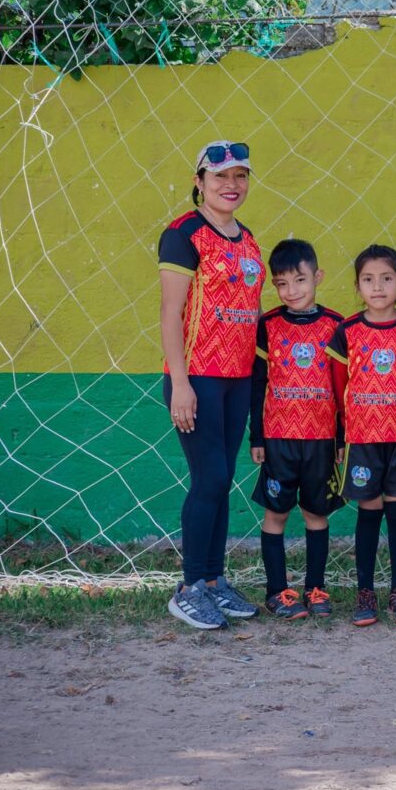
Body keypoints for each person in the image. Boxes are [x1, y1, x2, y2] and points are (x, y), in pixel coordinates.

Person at [157, 140, 265, 630]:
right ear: (199, 182)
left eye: (240, 176)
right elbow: (170, 314)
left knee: (222, 479)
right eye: (220, 176)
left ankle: (215, 582)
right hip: (197, 377)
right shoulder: (183, 234)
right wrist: (180, 384)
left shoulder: (249, 240)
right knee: (209, 479)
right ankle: (189, 589)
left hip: (237, 380)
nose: (231, 185)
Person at [325, 245, 396, 628]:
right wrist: (340, 438)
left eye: (387, 279)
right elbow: (339, 389)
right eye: (368, 279)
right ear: (357, 286)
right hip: (362, 438)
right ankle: (365, 592)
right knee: (369, 513)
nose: (378, 287)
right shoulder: (347, 331)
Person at [249, 238, 345, 619]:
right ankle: (277, 591)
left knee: (315, 514)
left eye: (300, 280)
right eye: (282, 283)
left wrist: (342, 437)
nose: (292, 291)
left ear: (317, 277)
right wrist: (257, 435)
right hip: (279, 438)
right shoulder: (268, 326)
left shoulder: (336, 326)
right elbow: (258, 383)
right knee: (276, 514)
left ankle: (315, 588)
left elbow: (343, 387)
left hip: (321, 439)